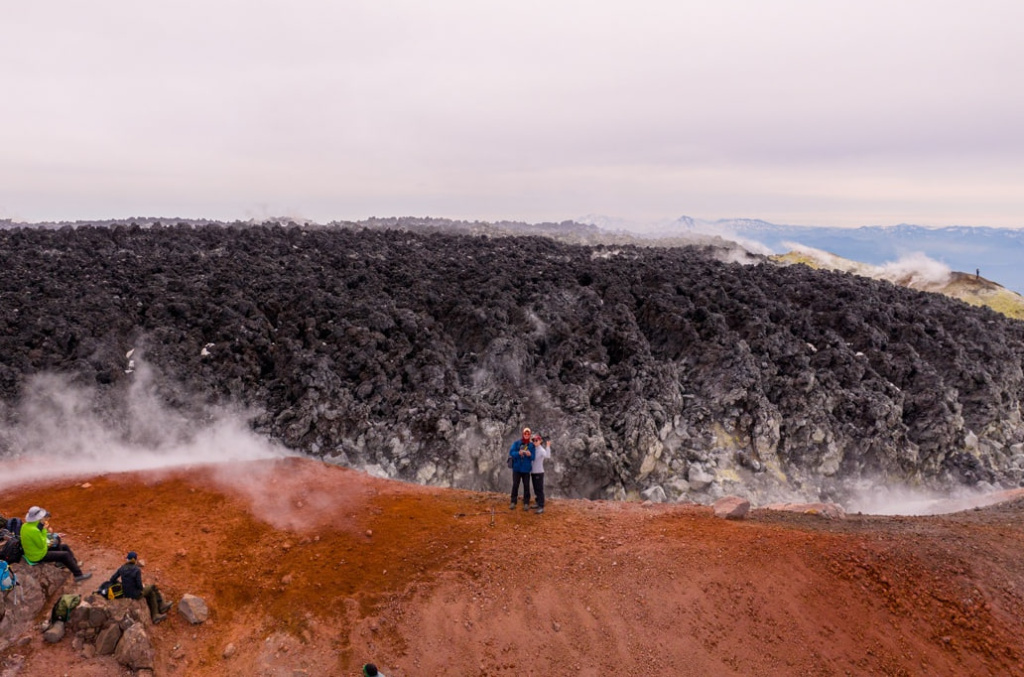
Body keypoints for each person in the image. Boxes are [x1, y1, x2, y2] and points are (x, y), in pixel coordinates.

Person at [20, 506, 92, 583]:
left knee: (64, 546)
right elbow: (41, 545)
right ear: (39, 518)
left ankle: (72, 564)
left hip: (34, 551)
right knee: (65, 554)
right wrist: (45, 530)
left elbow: (37, 540)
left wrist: (48, 536)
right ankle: (78, 575)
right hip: (37, 555)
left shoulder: (25, 526)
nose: (44, 519)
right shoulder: (34, 530)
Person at [106, 550, 173, 623]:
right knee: (152, 587)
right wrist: (142, 587)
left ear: (127, 559)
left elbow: (112, 579)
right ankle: (161, 607)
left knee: (152, 594)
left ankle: (156, 614)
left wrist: (122, 584)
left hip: (126, 594)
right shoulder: (136, 570)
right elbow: (139, 586)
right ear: (135, 560)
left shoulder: (122, 568)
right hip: (136, 594)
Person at [508, 427, 535, 511]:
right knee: (515, 485)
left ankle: (526, 502)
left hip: (526, 469)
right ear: (523, 434)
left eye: (528, 434)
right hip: (517, 468)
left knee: (526, 486)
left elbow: (533, 457)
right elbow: (511, 452)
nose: (526, 435)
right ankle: (513, 501)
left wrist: (530, 454)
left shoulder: (531, 445)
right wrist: (518, 453)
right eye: (525, 434)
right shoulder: (517, 443)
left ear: (530, 435)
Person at [529, 432, 552, 514]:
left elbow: (548, 456)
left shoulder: (541, 450)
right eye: (533, 440)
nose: (535, 442)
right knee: (535, 488)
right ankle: (537, 502)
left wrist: (548, 446)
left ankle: (541, 506)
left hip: (539, 472)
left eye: (536, 440)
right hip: (533, 472)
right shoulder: (533, 449)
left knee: (539, 489)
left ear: (540, 441)